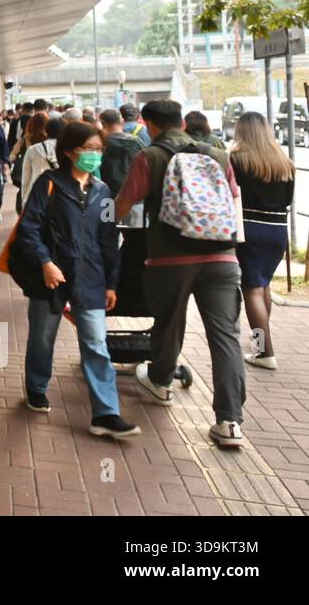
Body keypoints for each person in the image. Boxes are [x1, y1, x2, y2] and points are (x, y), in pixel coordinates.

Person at [115, 99, 247, 448]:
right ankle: (229, 422)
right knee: (225, 337)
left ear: (148, 123)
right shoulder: (218, 155)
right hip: (222, 257)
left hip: (170, 260)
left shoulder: (150, 156)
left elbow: (123, 205)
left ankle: (160, 383)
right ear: (183, 123)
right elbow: (234, 201)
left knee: (170, 324)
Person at [14, 121, 139, 438]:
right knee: (43, 338)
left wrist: (112, 282)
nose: (95, 155)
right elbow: (28, 230)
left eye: (99, 149)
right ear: (69, 151)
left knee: (96, 344)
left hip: (92, 277)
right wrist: (45, 262)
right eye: (88, 149)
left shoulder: (105, 192)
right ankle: (36, 386)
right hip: (52, 277)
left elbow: (110, 239)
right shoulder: (49, 185)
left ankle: (106, 413)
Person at [229, 112, 294, 371]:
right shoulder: (285, 162)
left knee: (252, 289)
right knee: (263, 286)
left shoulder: (236, 160)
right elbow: (288, 199)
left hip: (249, 229)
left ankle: (263, 350)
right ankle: (260, 344)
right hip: (278, 230)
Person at [100, 108, 146, 198]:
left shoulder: (101, 143)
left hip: (108, 192)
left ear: (103, 124)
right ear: (122, 122)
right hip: (133, 192)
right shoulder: (136, 141)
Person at [19, 112, 59, 210]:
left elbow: (25, 180)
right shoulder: (63, 147)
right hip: (58, 194)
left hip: (35, 194)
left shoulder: (31, 148)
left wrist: (24, 201)